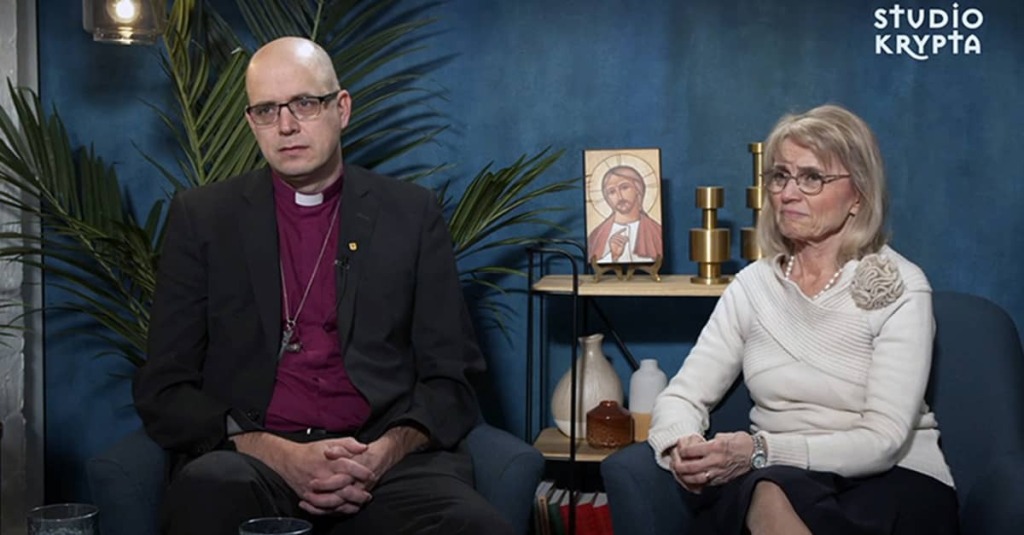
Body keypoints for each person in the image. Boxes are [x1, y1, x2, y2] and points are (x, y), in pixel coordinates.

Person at [133, 37, 514, 535]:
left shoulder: (411, 214)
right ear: (251, 124)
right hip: (252, 462)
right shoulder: (204, 219)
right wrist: (272, 451)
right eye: (267, 111)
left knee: (473, 527)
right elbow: (164, 387)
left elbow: (451, 378)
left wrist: (382, 455)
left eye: (305, 104)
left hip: (382, 462)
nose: (286, 125)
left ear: (342, 108)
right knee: (209, 491)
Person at [647, 104, 958, 535]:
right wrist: (682, 445)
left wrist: (760, 450)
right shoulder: (752, 286)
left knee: (771, 487)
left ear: (859, 197)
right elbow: (681, 396)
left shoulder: (901, 285)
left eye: (812, 177)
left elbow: (883, 441)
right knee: (769, 491)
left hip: (894, 477)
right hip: (776, 478)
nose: (788, 193)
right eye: (780, 176)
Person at [587, 165, 663, 263]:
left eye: (624, 187)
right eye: (612, 191)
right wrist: (613, 256)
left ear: (638, 189)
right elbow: (595, 263)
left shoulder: (656, 231)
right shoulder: (597, 235)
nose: (619, 196)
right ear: (607, 198)